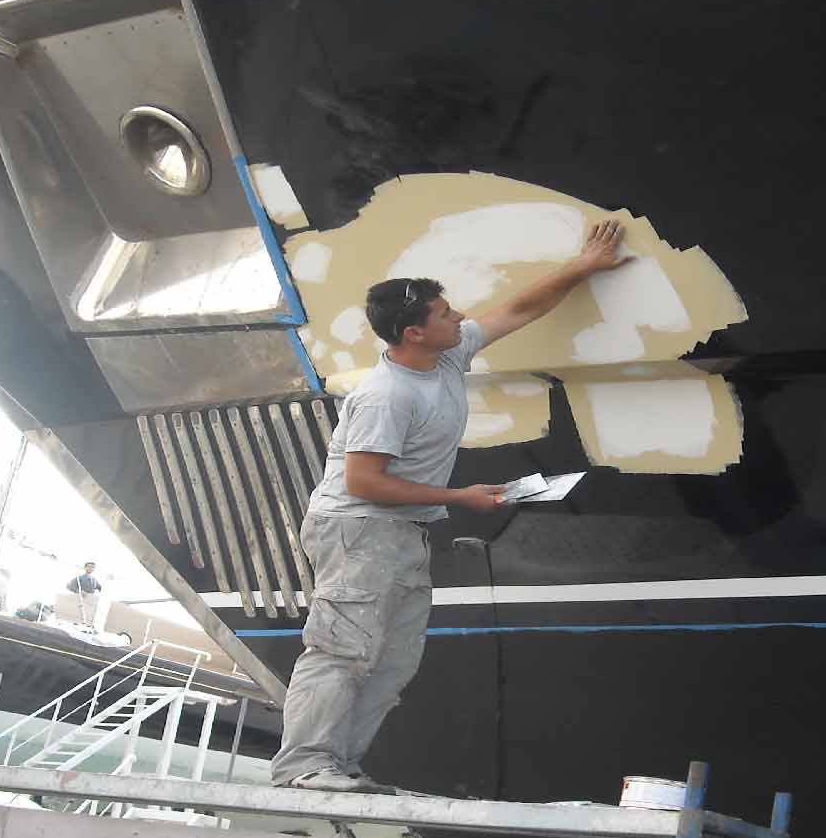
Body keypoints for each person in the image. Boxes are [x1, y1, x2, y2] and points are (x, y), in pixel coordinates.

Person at [270, 218, 632, 792]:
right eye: (445, 313)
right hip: (357, 531)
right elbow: (363, 482)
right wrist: (458, 497)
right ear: (415, 333)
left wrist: (583, 267)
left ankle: (339, 765)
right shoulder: (386, 396)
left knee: (394, 661)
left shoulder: (446, 355)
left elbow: (519, 309)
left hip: (401, 531)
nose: (460, 316)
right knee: (343, 649)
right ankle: (303, 767)